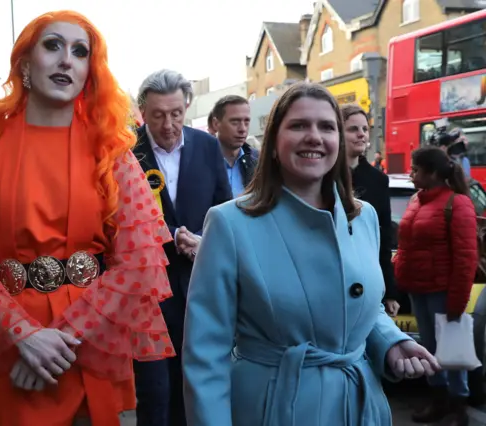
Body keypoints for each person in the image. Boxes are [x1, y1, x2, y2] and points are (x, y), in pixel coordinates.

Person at [0, 11, 174, 426]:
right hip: (9, 345)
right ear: (25, 63)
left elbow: (139, 262)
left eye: (80, 52)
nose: (66, 60)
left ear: (89, 71)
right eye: (52, 45)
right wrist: (22, 334)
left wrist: (58, 341)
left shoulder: (112, 153)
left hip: (88, 342)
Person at [182, 82, 440, 426]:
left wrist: (389, 340)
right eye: (299, 125)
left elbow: (360, 302)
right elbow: (205, 355)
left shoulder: (363, 218)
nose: (314, 137)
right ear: (274, 142)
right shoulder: (230, 222)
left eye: (327, 127)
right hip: (272, 409)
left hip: (359, 407)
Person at [132, 69, 232, 426]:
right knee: (156, 393)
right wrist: (169, 235)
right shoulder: (125, 150)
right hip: (147, 295)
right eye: (158, 115)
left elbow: (224, 208)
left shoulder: (206, 146)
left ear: (187, 107)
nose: (169, 124)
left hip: (200, 288)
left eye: (176, 113)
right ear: (142, 112)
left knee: (197, 387)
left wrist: (206, 242)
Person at [394, 146, 477, 425]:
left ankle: (458, 407)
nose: (411, 174)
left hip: (443, 291)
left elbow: (466, 257)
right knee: (428, 349)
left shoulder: (458, 203)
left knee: (452, 351)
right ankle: (438, 400)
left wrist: (457, 301)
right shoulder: (417, 200)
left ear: (431, 173)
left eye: (415, 170)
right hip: (418, 288)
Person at [342, 104, 400, 316]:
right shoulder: (322, 176)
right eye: (353, 129)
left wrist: (390, 292)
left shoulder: (378, 180)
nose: (361, 134)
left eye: (365, 129)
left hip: (369, 279)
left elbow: (383, 238)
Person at [212, 95, 258, 197]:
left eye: (246, 121)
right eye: (235, 122)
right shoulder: (199, 162)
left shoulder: (258, 162)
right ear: (216, 124)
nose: (242, 129)